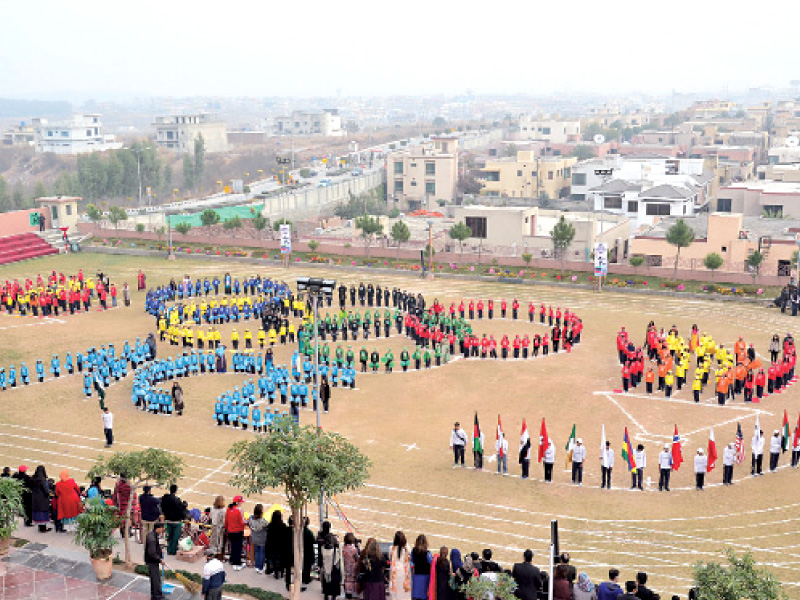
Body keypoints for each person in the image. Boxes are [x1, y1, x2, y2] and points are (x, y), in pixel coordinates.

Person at [161, 484, 187, 555]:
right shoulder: (177, 500)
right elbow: (181, 510)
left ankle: (169, 550)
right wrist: (184, 506)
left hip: (168, 520)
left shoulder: (165, 498)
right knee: (175, 537)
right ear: (176, 491)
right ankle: (173, 551)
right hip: (176, 522)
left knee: (169, 536)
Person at [145, 521, 166, 600]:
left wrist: (160, 551)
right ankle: (157, 596)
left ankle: (155, 595)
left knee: (155, 579)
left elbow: (155, 548)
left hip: (152, 560)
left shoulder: (152, 534)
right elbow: (152, 553)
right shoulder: (152, 538)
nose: (163, 530)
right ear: (158, 528)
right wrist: (160, 560)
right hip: (152, 561)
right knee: (155, 580)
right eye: (162, 528)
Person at [226, 495, 246, 570]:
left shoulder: (229, 509)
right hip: (238, 531)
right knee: (238, 548)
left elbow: (226, 520)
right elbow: (241, 522)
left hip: (230, 531)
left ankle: (232, 560)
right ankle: (237, 563)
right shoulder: (239, 510)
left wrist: (227, 529)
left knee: (233, 546)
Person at [390, 531, 411, 600]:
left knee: (395, 593)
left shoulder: (391, 548)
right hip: (403, 573)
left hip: (394, 573)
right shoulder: (407, 548)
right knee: (404, 594)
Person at [30, 466, 52, 532]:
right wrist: (49, 493)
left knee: (38, 513)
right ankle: (43, 528)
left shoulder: (33, 478)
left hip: (35, 497)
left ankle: (40, 527)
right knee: (42, 513)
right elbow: (46, 490)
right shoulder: (42, 480)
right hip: (42, 498)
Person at [266, 509, 287, 578]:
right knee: (281, 559)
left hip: (273, 545)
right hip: (281, 545)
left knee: (274, 558)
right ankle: (281, 572)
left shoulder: (270, 526)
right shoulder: (283, 526)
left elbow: (268, 536)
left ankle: (275, 572)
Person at [411, 534, 432, 600]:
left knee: (416, 595)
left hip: (416, 575)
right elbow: (430, 562)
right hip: (425, 576)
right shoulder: (427, 553)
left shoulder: (413, 551)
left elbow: (412, 561)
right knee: (424, 595)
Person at [249, 503, 268, 574]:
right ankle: (261, 567)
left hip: (254, 538)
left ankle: (257, 566)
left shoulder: (251, 519)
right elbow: (267, 525)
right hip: (262, 539)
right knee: (262, 552)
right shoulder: (263, 521)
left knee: (256, 552)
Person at [342, 532, 360, 599]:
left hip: (345, 567)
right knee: (352, 581)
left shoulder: (343, 548)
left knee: (346, 581)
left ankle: (347, 594)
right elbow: (357, 559)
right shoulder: (354, 549)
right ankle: (352, 594)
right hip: (352, 569)